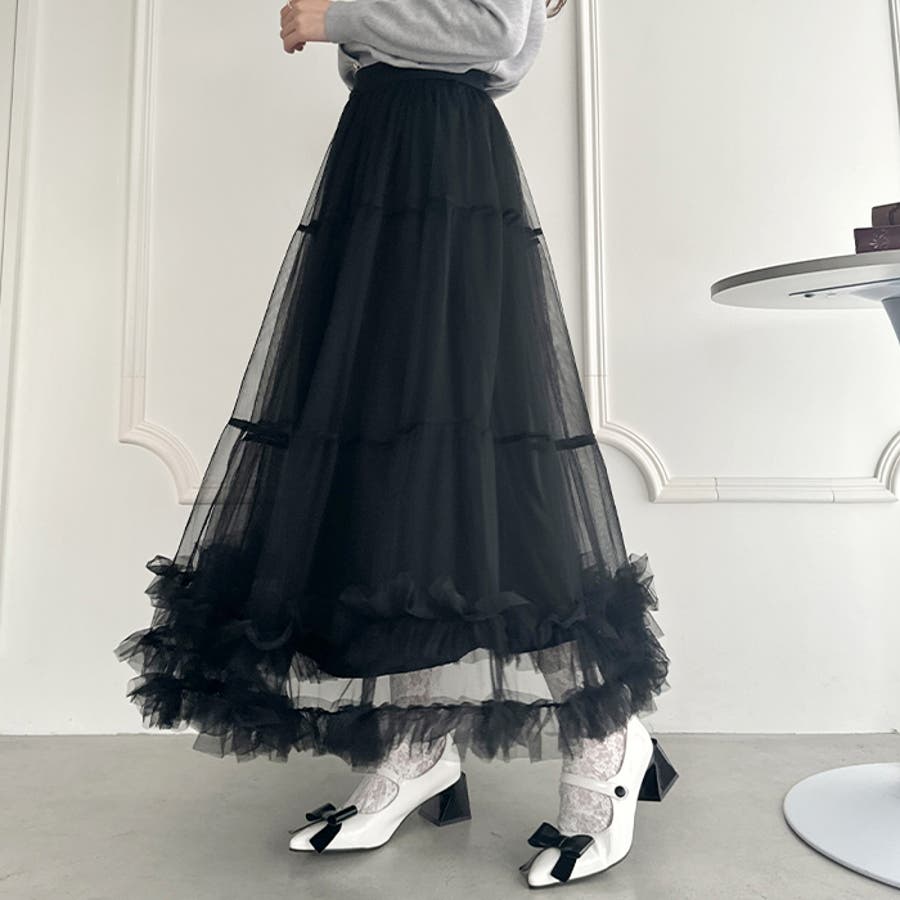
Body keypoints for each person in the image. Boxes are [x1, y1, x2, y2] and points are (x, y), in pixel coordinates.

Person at [114, 0, 676, 887]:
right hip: (379, 157)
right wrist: (357, 31)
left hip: (442, 164)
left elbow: (493, 32)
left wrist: (337, 16)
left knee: (486, 458)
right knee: (387, 465)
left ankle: (605, 742)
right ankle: (416, 744)